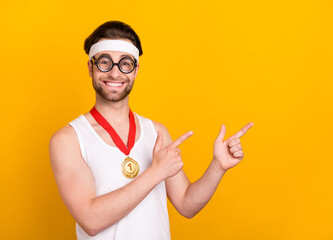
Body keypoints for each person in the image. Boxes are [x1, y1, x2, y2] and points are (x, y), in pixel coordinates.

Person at [49, 20, 254, 240]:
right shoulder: (69, 139)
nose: (115, 74)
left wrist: (218, 167)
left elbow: (186, 204)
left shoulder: (157, 132)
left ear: (136, 70)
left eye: (125, 63)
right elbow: (90, 220)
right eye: (105, 62)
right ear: (90, 67)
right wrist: (155, 172)